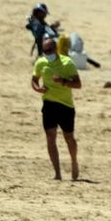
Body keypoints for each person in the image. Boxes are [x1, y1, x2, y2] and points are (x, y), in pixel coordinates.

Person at [31, 36, 81, 181]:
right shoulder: (41, 62)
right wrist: (38, 89)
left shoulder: (67, 63)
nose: (47, 53)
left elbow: (78, 84)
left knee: (69, 137)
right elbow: (34, 80)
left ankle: (74, 162)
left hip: (65, 105)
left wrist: (63, 81)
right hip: (49, 104)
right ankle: (57, 172)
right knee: (50, 136)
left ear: (56, 49)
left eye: (50, 50)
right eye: (45, 51)